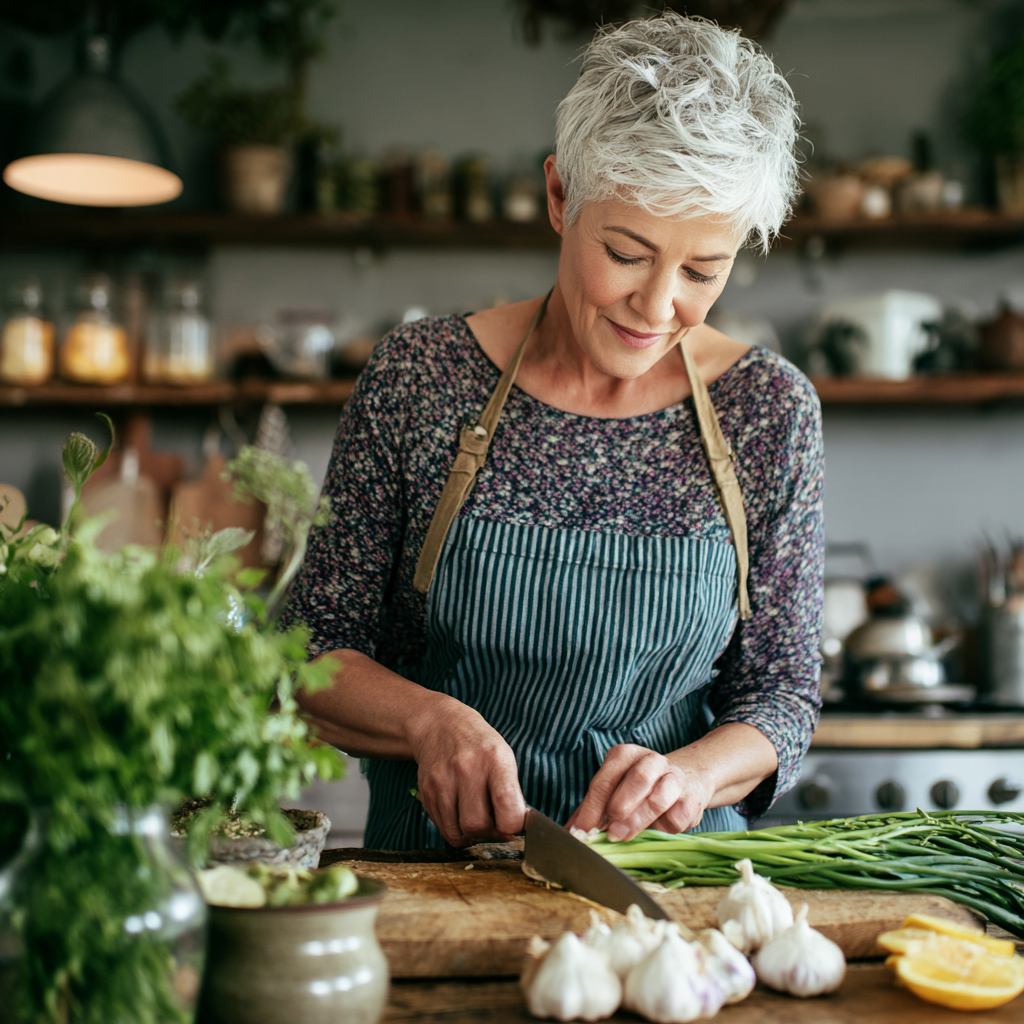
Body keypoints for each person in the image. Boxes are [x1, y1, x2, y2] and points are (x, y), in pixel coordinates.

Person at [282, 12, 823, 850]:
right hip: (440, 878)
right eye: (629, 253)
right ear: (560, 197)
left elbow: (782, 694)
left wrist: (693, 774)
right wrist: (429, 722)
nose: (657, 306)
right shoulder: (421, 380)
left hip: (669, 894)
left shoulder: (769, 410)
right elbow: (313, 651)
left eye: (702, 271)